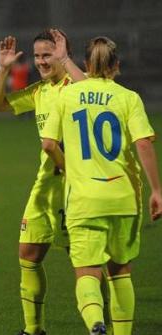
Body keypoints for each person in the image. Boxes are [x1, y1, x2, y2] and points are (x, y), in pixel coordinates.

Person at [41, 36, 162, 335]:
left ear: (85, 64)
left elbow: (47, 144)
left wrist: (67, 166)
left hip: (84, 198)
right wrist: (157, 190)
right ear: (116, 65)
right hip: (123, 197)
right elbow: (144, 143)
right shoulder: (128, 97)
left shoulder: (67, 96)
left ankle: (96, 323)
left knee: (87, 273)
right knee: (120, 271)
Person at [0, 29, 85, 335]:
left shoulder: (77, 85)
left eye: (48, 54)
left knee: (87, 264)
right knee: (28, 254)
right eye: (38, 56)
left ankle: (102, 325)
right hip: (45, 188)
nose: (42, 61)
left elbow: (93, 91)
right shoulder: (39, 92)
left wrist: (65, 58)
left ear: (61, 54)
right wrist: (4, 68)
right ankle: (33, 330)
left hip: (77, 188)